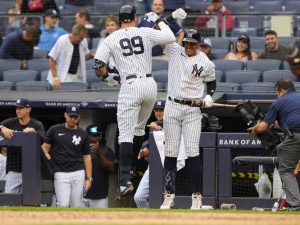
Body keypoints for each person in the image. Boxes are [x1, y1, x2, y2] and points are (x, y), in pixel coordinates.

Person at [93, 4, 186, 200]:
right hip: (150, 85)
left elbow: (98, 65)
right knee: (137, 130)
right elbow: (170, 37)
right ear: (134, 18)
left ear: (119, 20)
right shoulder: (144, 31)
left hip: (130, 85)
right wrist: (159, 20)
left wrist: (108, 77)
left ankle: (125, 180)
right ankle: (132, 170)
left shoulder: (111, 38)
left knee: (125, 135)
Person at [160, 28, 215, 210]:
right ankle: (168, 195)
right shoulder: (175, 50)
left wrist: (209, 96)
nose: (189, 46)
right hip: (173, 105)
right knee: (171, 152)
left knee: (192, 153)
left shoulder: (204, 61)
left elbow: (212, 82)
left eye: (192, 43)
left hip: (192, 109)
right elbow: (159, 36)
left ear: (199, 44)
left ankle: (196, 197)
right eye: (187, 42)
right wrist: (171, 23)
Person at [248, 78, 300, 210]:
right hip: (294, 132)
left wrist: (255, 128)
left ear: (282, 91)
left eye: (277, 93)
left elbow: (262, 128)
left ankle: (296, 204)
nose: (277, 95)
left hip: (296, 136)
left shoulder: (279, 102)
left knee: (286, 170)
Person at [41, 105, 92, 207]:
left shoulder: (83, 133)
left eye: (75, 117)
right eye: (71, 116)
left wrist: (89, 178)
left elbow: (87, 157)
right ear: (65, 115)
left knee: (77, 205)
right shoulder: (54, 130)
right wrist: (47, 156)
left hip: (78, 172)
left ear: (79, 118)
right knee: (63, 205)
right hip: (60, 172)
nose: (73, 119)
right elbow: (44, 147)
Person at [0, 98, 45, 193]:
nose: (18, 110)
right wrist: (2, 127)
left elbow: (43, 141)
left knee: (30, 201)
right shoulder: (10, 122)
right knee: (10, 200)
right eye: (17, 108)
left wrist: (34, 132)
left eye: (21, 108)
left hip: (31, 168)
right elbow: (1, 126)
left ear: (28, 109)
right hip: (14, 167)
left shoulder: (36, 124)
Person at [134, 100, 165, 208]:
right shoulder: (154, 125)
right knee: (139, 197)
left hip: (170, 168)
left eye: (161, 110)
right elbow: (149, 142)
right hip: (154, 166)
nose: (158, 113)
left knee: (166, 200)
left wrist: (160, 129)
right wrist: (144, 149)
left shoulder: (172, 123)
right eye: (156, 110)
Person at [47, 23, 94, 90]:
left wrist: (91, 56)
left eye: (83, 38)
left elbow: (83, 57)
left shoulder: (83, 41)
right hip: (62, 76)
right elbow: (52, 60)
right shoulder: (62, 40)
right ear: (74, 34)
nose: (82, 40)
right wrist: (55, 78)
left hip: (76, 75)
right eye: (80, 38)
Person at [83, 124, 115, 208]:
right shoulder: (80, 149)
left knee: (101, 221)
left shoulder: (106, 150)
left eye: (98, 135)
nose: (97, 138)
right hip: (81, 195)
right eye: (94, 135)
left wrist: (99, 154)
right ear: (87, 136)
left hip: (100, 196)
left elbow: (111, 169)